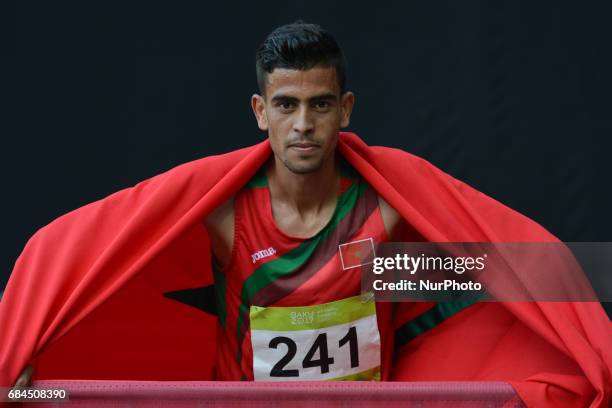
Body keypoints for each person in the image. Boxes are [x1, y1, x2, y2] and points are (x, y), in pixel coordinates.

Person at [3, 21, 610, 407]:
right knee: (39, 394)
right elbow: (93, 266)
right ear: (259, 112)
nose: (303, 125)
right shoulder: (222, 222)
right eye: (286, 105)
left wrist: (581, 339)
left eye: (320, 104)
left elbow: (507, 273)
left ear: (345, 109)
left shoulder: (386, 223)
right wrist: (31, 357)